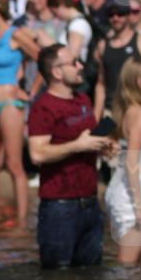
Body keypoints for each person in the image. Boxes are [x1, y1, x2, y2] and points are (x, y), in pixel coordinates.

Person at [28, 45, 114, 268]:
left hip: (91, 203)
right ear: (57, 72)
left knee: (91, 277)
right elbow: (37, 153)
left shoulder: (83, 99)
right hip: (59, 207)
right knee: (57, 279)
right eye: (74, 62)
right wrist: (77, 145)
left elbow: (88, 140)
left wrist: (104, 146)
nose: (80, 66)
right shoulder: (43, 107)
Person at [0, 0, 40, 222]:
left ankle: (22, 222)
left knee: (14, 164)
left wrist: (31, 91)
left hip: (9, 103)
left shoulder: (16, 34)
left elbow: (43, 58)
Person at [104, 57, 141, 265]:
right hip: (134, 192)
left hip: (118, 188)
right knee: (127, 267)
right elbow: (132, 161)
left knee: (134, 264)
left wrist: (109, 148)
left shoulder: (120, 109)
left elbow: (96, 136)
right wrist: (139, 205)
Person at [94, 3, 141, 123]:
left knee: (136, 142)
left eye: (120, 14)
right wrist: (96, 116)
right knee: (105, 141)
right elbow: (101, 83)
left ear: (128, 16)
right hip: (111, 110)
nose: (115, 18)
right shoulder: (103, 46)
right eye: (111, 15)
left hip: (137, 108)